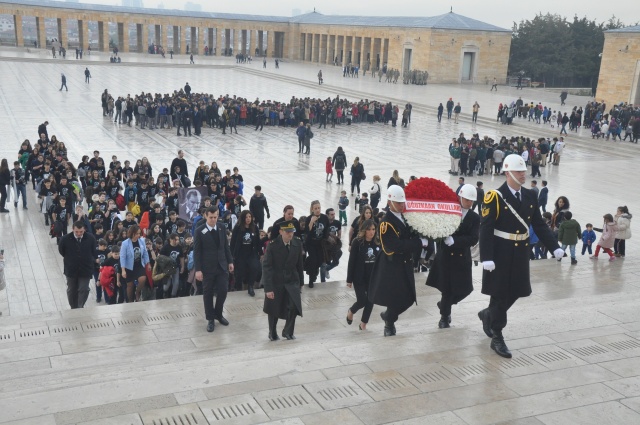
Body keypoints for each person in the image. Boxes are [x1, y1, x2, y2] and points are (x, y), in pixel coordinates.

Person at [478, 154, 563, 358]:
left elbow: (539, 225)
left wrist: (554, 246)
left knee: (518, 290)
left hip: (521, 251)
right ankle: (497, 335)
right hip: (500, 251)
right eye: (518, 171)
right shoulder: (495, 197)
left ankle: (488, 314)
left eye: (523, 170)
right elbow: (486, 229)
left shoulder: (530, 196)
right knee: (499, 293)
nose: (523, 174)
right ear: (508, 173)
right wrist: (486, 256)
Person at [369, 185, 427, 336]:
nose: (402, 205)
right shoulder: (386, 223)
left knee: (409, 297)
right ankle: (389, 324)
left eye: (403, 202)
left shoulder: (406, 217)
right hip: (391, 264)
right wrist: (419, 243)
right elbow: (395, 246)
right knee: (394, 297)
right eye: (399, 202)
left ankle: (388, 316)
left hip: (405, 262)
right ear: (389, 203)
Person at [426, 184, 480, 328]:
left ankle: (445, 305)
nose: (470, 203)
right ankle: (444, 317)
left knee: (466, 289)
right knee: (447, 289)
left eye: (472, 201)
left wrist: (455, 241)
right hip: (446, 257)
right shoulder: (449, 212)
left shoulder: (474, 218)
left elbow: (474, 238)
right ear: (460, 198)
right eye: (468, 200)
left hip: (462, 257)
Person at [262, 220, 304, 341]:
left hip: (292, 280)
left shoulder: (297, 243)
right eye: (287, 232)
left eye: (292, 232)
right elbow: (267, 267)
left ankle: (288, 331)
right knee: (274, 308)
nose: (290, 234)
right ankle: (272, 332)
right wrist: (268, 288)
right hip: (276, 280)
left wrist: (301, 282)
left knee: (293, 306)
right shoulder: (273, 245)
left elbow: (300, 264)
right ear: (281, 232)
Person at [194, 207, 234, 332]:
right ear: (206, 216)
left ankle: (218, 313)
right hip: (207, 267)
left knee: (223, 291)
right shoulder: (200, 230)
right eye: (211, 217)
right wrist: (198, 269)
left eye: (215, 217)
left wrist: (230, 261)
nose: (213, 220)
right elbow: (197, 252)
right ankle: (210, 318)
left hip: (221, 265)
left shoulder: (222, 227)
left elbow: (225, 247)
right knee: (208, 293)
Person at [346, 219, 380, 331]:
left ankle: (363, 324)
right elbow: (351, 261)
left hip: (372, 277)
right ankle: (351, 311)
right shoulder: (357, 242)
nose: (371, 232)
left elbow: (381, 261)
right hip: (359, 277)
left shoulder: (377, 243)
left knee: (371, 300)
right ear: (364, 230)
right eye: (369, 229)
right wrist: (349, 279)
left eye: (373, 229)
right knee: (362, 300)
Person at [57, 221, 98, 309]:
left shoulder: (90, 238)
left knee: (84, 289)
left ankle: (80, 306)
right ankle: (73, 307)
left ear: (84, 230)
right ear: (73, 229)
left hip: (85, 269)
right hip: (71, 269)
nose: (79, 234)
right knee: (72, 290)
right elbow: (62, 251)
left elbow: (94, 251)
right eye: (76, 232)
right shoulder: (65, 239)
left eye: (81, 232)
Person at [230, 210, 261, 297]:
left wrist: (260, 253)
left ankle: (251, 286)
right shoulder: (238, 228)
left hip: (251, 253)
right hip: (240, 254)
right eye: (246, 217)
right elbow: (233, 242)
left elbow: (258, 241)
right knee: (239, 273)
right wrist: (231, 255)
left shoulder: (255, 227)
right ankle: (238, 288)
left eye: (249, 217)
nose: (248, 219)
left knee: (255, 268)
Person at [304, 200, 330, 288]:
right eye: (315, 208)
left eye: (319, 208)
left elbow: (326, 229)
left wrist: (326, 240)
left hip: (320, 243)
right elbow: (307, 231)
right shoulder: (308, 218)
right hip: (311, 243)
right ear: (312, 209)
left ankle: (312, 269)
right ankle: (312, 279)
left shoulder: (324, 218)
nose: (318, 210)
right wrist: (311, 222)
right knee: (313, 260)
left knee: (319, 261)